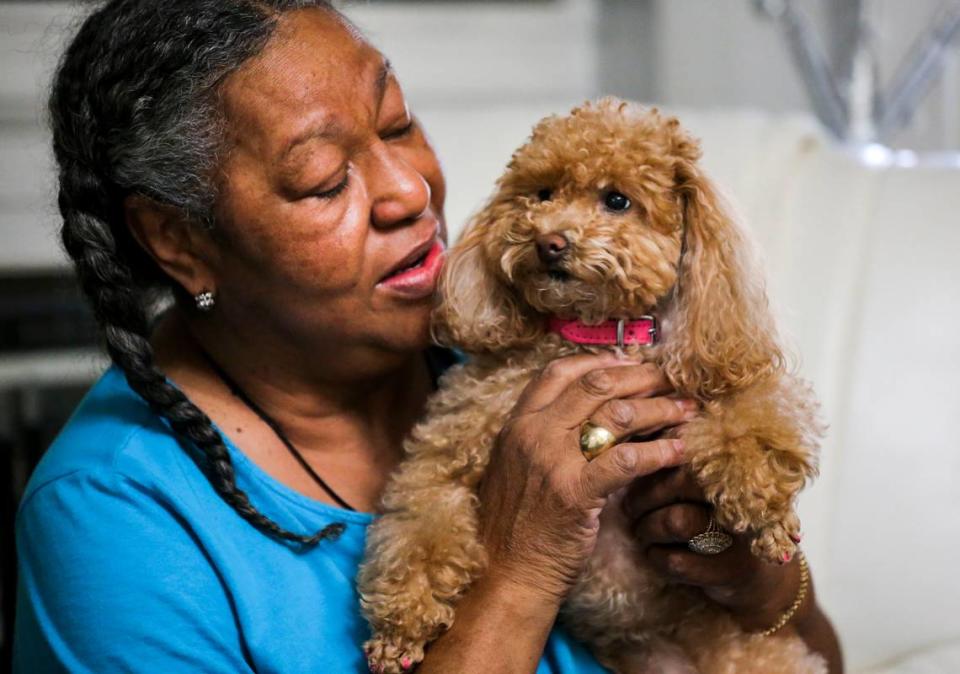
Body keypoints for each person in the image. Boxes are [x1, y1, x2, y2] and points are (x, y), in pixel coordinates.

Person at [13, 1, 843, 672]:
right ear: (177, 240)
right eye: (323, 180)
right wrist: (520, 568)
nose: (409, 189)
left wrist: (743, 573)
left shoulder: (512, 345)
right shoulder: (112, 523)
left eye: (399, 123)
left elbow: (821, 655)